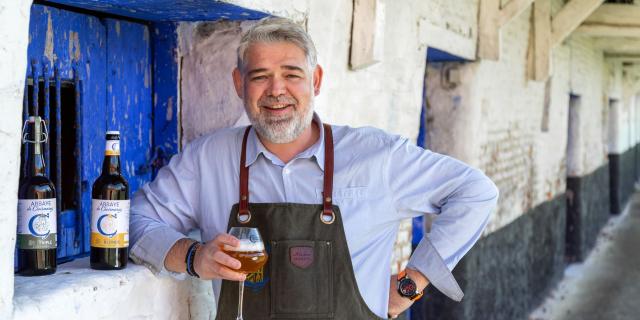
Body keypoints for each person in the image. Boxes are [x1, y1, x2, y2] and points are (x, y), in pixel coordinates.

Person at [129, 17, 498, 319]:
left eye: (292, 74)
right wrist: (193, 257)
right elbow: (133, 221)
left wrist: (410, 284)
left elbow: (474, 193)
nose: (276, 90)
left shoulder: (376, 156)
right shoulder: (207, 159)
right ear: (239, 83)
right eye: (259, 76)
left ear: (316, 80)